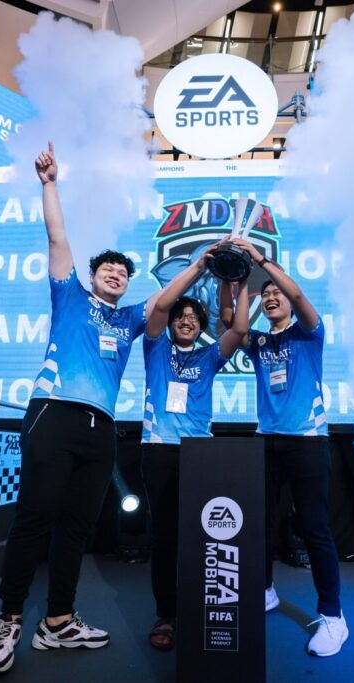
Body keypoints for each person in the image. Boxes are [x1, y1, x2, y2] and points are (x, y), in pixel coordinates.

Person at [0, 142, 171, 675]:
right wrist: (49, 184)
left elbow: (163, 302)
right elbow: (58, 237)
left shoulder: (128, 318)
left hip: (101, 429)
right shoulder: (70, 295)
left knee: (77, 527)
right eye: (107, 269)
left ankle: (58, 621)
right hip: (54, 414)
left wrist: (201, 263)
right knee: (34, 516)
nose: (115, 274)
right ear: (92, 275)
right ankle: (9, 618)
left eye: (122, 273)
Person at [221, 237, 348, 658]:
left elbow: (298, 294)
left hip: (307, 441)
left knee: (314, 527)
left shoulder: (310, 333)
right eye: (267, 294)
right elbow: (230, 322)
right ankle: (265, 590)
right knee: (259, 523)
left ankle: (333, 616)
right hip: (266, 439)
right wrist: (235, 279)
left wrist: (260, 260)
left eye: (278, 293)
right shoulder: (259, 343)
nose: (273, 297)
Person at [140, 253, 249, 650]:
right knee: (165, 537)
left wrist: (239, 280)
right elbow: (161, 306)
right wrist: (201, 266)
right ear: (171, 323)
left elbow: (240, 329)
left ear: (202, 326)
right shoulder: (155, 348)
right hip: (159, 451)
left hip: (200, 456)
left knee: (204, 539)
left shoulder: (208, 356)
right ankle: (166, 614)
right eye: (180, 317)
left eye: (193, 318)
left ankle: (200, 608)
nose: (186, 321)